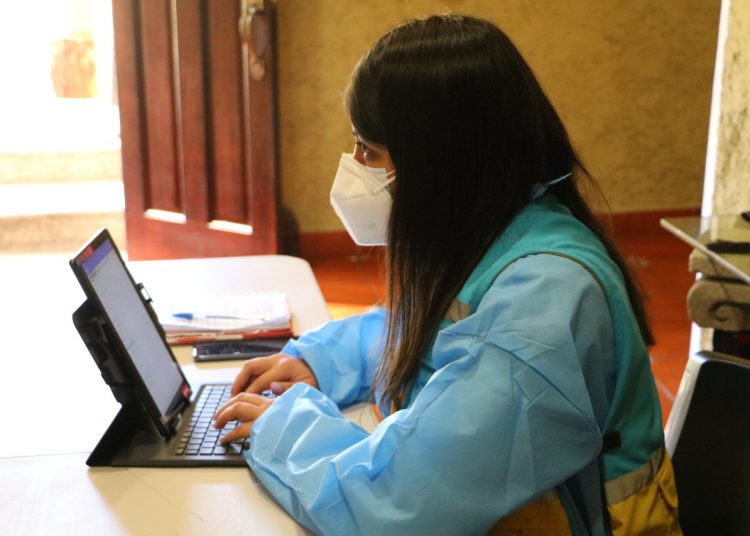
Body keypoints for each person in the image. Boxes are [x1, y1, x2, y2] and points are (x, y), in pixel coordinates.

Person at [213, 14, 681, 536]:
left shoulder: (546, 303)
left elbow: (397, 505)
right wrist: (322, 361)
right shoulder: (495, 224)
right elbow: (430, 331)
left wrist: (283, 429)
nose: (356, 165)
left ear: (438, 161)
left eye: (368, 150)